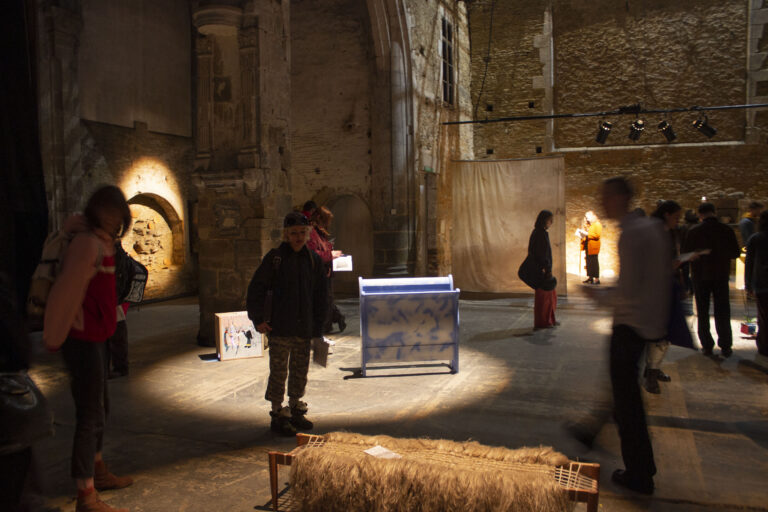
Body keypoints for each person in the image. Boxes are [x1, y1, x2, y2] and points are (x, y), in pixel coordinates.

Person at [43, 185, 134, 512]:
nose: (114, 218)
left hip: (98, 337)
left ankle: (97, 470)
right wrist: (54, 336)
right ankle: (86, 495)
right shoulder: (86, 244)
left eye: (118, 213)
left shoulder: (102, 241)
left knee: (100, 409)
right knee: (89, 415)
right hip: (82, 342)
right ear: (99, 211)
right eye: (110, 212)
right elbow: (65, 294)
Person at [584, 177, 671, 495]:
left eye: (606, 197)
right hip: (645, 325)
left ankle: (639, 473)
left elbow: (628, 291)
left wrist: (597, 297)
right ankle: (637, 463)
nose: (602, 202)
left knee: (628, 403)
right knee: (624, 399)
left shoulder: (633, 235)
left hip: (629, 327)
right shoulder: (650, 229)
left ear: (620, 198)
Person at [246, 212, 328, 436]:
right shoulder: (275, 258)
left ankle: (294, 407)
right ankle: (277, 412)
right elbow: (256, 288)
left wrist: (319, 326)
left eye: (302, 233)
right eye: (294, 233)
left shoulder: (313, 260)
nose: (298, 237)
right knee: (279, 372)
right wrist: (258, 318)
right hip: (280, 327)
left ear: (308, 233)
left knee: (300, 370)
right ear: (286, 234)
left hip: (304, 328)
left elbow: (322, 295)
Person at [683, 202, 741, 357]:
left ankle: (707, 346)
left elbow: (686, 254)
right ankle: (726, 345)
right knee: (723, 310)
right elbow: (735, 253)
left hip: (700, 275)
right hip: (720, 275)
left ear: (700, 214)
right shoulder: (726, 230)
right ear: (714, 212)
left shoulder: (694, 231)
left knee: (702, 311)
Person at [643, 200, 683, 394]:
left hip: (667, 286)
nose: (678, 221)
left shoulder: (669, 234)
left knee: (663, 335)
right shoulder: (654, 234)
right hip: (654, 290)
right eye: (676, 217)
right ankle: (651, 374)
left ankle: (653, 369)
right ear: (666, 215)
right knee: (657, 335)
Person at [306, 206, 346, 333]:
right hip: (317, 273)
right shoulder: (311, 232)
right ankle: (328, 323)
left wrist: (330, 250)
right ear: (319, 218)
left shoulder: (319, 231)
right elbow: (312, 252)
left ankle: (332, 321)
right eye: (326, 221)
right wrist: (330, 255)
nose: (328, 224)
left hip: (324, 270)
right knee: (324, 300)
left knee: (327, 299)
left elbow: (321, 247)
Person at [528, 210, 557, 329]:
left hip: (542, 269)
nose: (551, 222)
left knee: (549, 297)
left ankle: (549, 319)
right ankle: (543, 321)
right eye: (550, 220)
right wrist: (547, 269)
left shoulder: (539, 232)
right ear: (544, 220)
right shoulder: (540, 234)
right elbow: (542, 254)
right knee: (544, 298)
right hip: (541, 270)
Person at [745, 210, 768, 357]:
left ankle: (764, 347)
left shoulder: (756, 238)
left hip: (762, 283)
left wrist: (748, 284)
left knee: (764, 318)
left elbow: (749, 263)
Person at [579, 211, 602, 284]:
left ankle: (597, 279)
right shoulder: (589, 225)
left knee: (594, 263)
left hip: (593, 246)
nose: (586, 218)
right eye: (585, 217)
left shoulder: (597, 224)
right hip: (587, 246)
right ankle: (590, 277)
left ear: (592, 216)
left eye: (587, 217)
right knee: (588, 262)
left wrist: (587, 234)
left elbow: (597, 235)